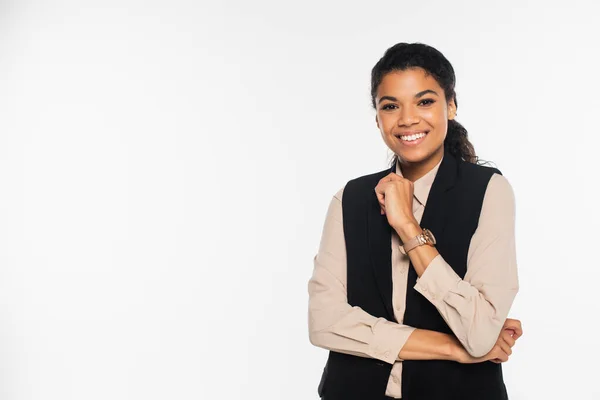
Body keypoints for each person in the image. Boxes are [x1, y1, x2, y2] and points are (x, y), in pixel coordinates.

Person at [307, 42, 522, 400]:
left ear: (450, 106)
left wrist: (407, 226)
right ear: (377, 117)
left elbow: (481, 332)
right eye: (390, 106)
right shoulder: (350, 199)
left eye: (424, 101)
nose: (407, 119)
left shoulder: (489, 191)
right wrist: (453, 348)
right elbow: (324, 323)